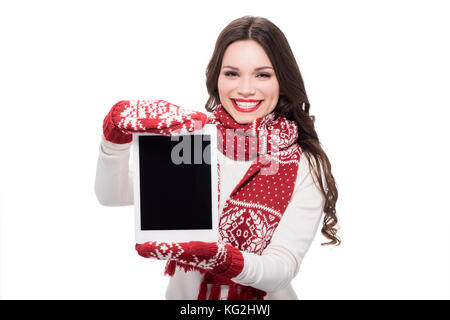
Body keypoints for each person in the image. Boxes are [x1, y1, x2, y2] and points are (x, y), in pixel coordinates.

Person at [95, 15, 340, 300]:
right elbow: (112, 195)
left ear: (282, 81)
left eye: (263, 74)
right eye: (232, 73)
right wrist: (114, 142)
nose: (245, 88)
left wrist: (223, 258)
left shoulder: (303, 162)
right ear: (217, 78)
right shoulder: (191, 137)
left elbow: (281, 267)